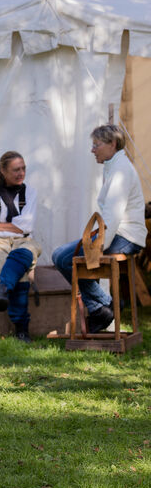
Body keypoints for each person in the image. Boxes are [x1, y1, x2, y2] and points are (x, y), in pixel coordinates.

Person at [52, 124, 147, 333]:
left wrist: (98, 246)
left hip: (125, 236)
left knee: (63, 258)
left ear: (112, 144)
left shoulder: (120, 171)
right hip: (120, 233)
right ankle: (104, 307)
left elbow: (113, 216)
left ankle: (103, 307)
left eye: (97, 145)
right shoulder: (115, 166)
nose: (92, 149)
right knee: (61, 256)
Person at [0, 152, 41, 342]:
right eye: (16, 170)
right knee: (19, 272)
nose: (21, 173)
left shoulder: (30, 192)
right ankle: (21, 329)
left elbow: (26, 226)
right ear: (3, 171)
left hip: (23, 242)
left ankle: (2, 290)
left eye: (23, 169)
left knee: (25, 252)